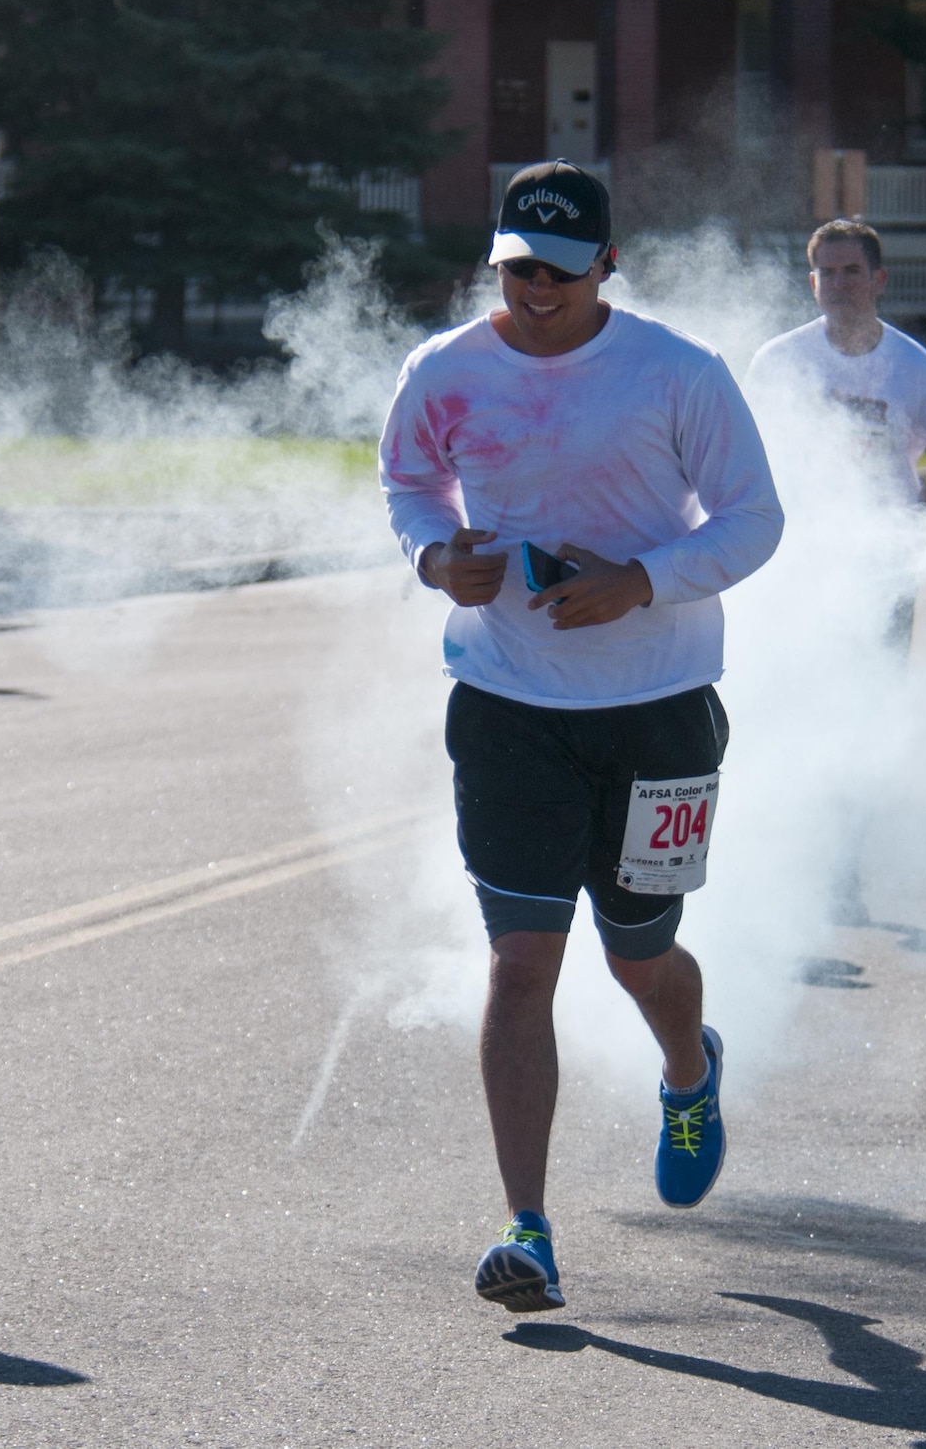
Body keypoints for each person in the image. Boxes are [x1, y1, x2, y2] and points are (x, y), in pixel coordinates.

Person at [379, 160, 784, 1314]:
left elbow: (754, 519)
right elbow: (407, 482)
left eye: (558, 271)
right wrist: (430, 556)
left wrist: (642, 581)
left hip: (657, 707)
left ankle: (689, 1068)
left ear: (605, 264)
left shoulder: (674, 374)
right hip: (506, 705)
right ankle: (526, 1227)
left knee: (637, 955)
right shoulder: (443, 370)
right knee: (518, 962)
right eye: (515, 268)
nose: (534, 290)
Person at [744, 218, 926, 654]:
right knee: (803, 677)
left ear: (878, 280)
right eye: (827, 273)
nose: (838, 284)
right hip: (801, 554)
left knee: (880, 686)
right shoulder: (778, 361)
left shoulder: (918, 370)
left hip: (884, 558)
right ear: (813, 281)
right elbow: (740, 455)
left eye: (851, 271)